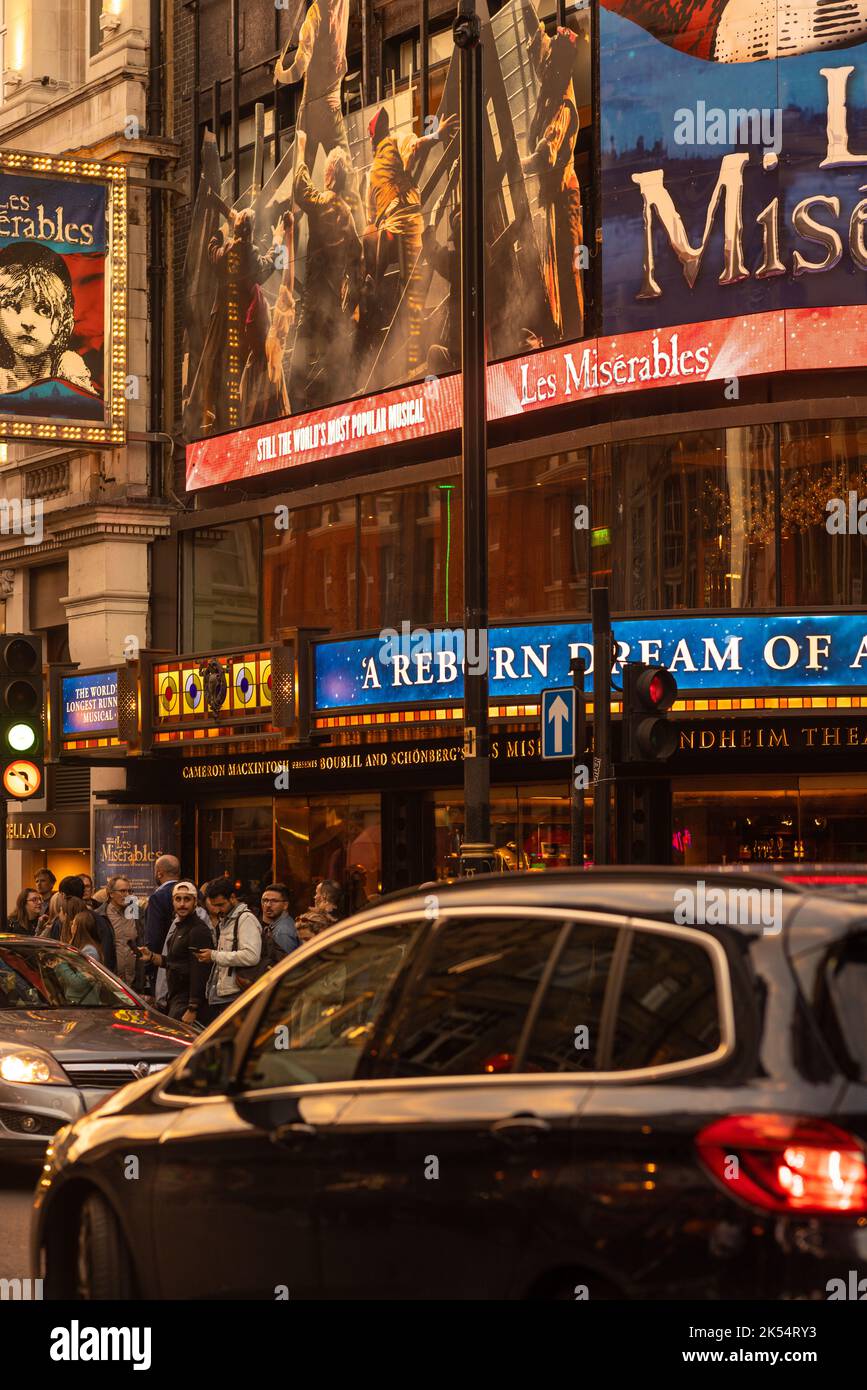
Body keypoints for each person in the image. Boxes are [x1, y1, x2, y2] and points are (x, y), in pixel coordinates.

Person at [363, 106, 458, 378]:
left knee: (386, 276)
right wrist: (437, 136)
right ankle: (407, 344)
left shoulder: (372, 173)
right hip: (407, 221)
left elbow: (371, 218)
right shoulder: (396, 142)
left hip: (389, 228)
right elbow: (416, 147)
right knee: (413, 291)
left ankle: (376, 290)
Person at [291, 144, 361, 410]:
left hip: (316, 297)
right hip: (334, 302)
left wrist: (300, 149)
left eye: (327, 168)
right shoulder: (348, 216)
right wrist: (350, 302)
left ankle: (292, 412)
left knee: (300, 357)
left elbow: (300, 188)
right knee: (332, 360)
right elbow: (358, 257)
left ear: (331, 171)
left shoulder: (327, 201)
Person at [0, 242, 96, 395]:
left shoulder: (73, 375)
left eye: (44, 309)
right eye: (12, 305)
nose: (28, 322)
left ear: (63, 319)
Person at [139, 881, 214, 1024]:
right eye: (178, 899)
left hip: (186, 1002)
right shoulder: (179, 926)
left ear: (195, 902)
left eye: (187, 899)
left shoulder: (198, 930)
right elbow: (175, 962)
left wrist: (193, 1008)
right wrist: (152, 957)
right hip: (175, 997)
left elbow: (200, 971)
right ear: (172, 902)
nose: (182, 904)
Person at [192, 877, 261, 1024]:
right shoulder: (227, 919)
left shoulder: (245, 919)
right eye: (214, 905)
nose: (217, 909)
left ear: (233, 898)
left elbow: (251, 956)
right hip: (225, 993)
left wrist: (214, 956)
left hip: (237, 993)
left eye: (221, 904)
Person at [92, 874, 133, 979]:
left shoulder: (136, 913)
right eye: (123, 891)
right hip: (110, 979)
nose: (127, 895)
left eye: (130, 891)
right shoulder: (99, 916)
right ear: (111, 894)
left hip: (133, 980)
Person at [144, 855, 181, 957]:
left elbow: (154, 936)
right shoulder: (195, 892)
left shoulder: (158, 898)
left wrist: (150, 962)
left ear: (159, 873)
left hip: (163, 959)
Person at [295, 878, 343, 944]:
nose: (314, 897)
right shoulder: (343, 917)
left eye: (316, 893)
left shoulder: (322, 919)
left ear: (324, 896)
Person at [260, 883, 299, 959]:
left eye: (274, 901)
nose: (268, 905)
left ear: (285, 905)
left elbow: (285, 963)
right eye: (265, 900)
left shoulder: (282, 931)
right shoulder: (281, 924)